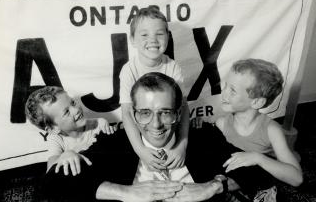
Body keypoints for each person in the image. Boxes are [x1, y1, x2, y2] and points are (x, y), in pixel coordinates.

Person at [45, 72, 274, 202]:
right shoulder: (115, 144)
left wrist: (214, 187)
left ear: (178, 113)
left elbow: (256, 172)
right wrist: (125, 192)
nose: (155, 124)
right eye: (145, 113)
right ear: (133, 115)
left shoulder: (203, 137)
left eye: (165, 112)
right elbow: (53, 186)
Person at [120, 6, 190, 172]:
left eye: (159, 34)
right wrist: (140, 150)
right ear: (132, 39)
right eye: (144, 34)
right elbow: (127, 113)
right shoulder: (129, 70)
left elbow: (184, 108)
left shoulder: (172, 67)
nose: (153, 40)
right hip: (142, 136)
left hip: (167, 133)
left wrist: (182, 145)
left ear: (167, 37)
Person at [216, 58, 303, 188]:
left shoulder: (271, 130)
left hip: (258, 180)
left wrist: (258, 158)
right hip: (233, 176)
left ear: (257, 102)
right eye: (225, 86)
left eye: (232, 90)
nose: (224, 94)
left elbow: (297, 179)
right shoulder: (222, 123)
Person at [25, 86, 116, 176]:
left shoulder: (98, 124)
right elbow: (50, 169)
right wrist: (65, 156)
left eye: (73, 103)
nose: (76, 110)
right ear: (53, 129)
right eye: (66, 112)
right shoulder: (57, 139)